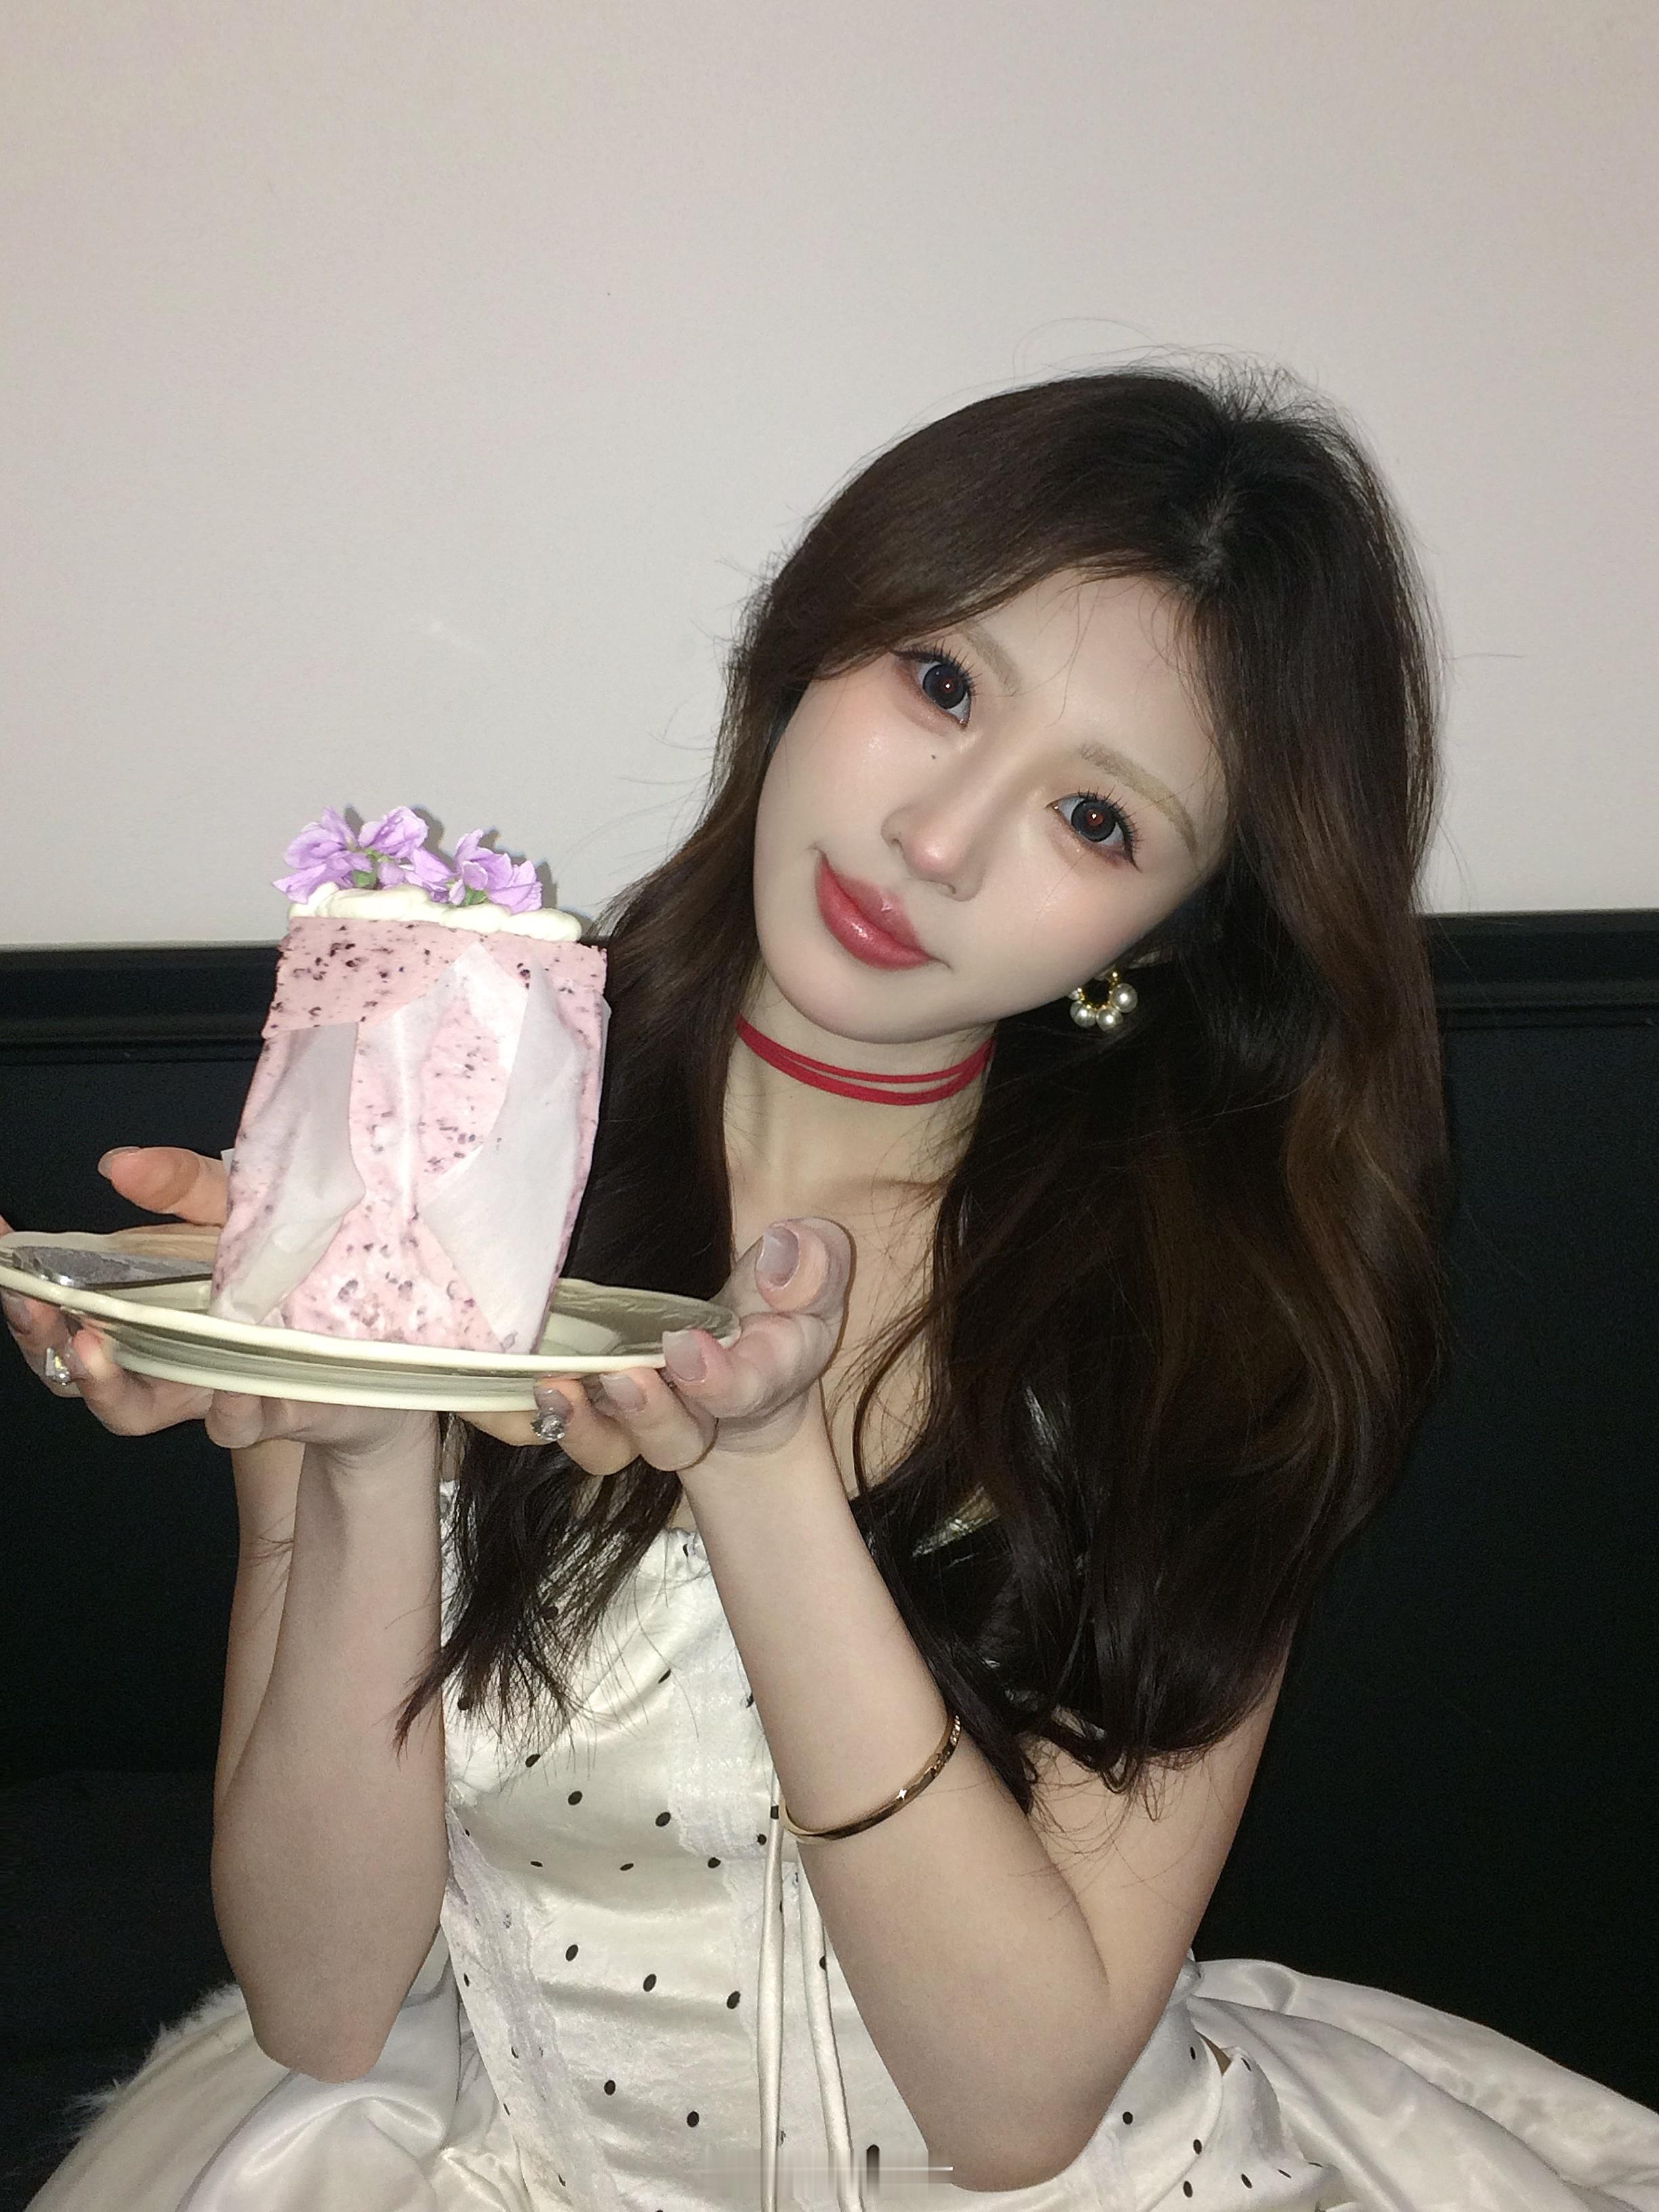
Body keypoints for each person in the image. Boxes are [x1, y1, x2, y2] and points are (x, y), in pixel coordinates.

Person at [7, 363, 1657, 2212]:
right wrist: (370, 1437)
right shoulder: (440, 1143)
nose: (937, 840)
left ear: (1172, 932)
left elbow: (1015, 2110)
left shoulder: (1214, 1324)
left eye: (1096, 819)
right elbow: (321, 2004)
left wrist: (762, 1466)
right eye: (940, 684)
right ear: (811, 645)